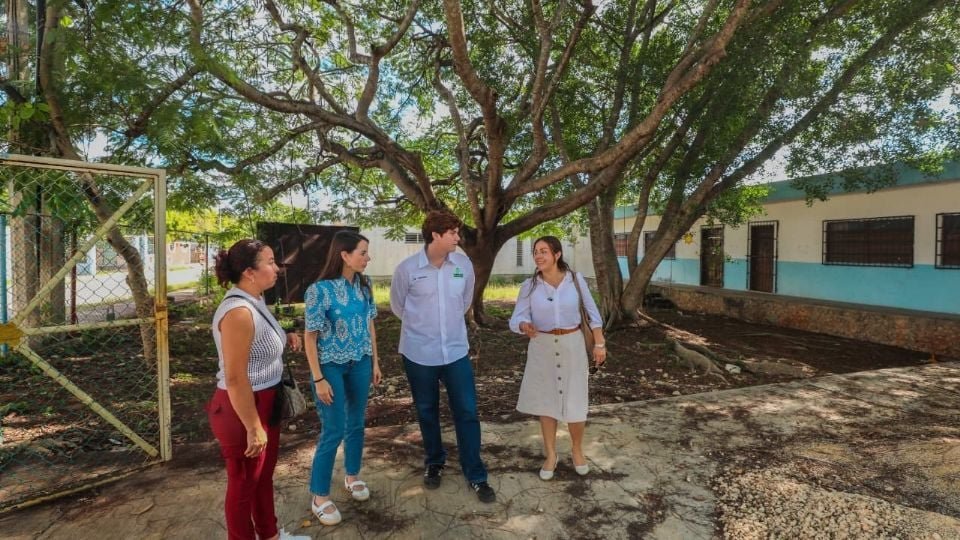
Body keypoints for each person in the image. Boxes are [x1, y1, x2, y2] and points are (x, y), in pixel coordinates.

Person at [389, 210, 496, 503]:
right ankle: (434, 462)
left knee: (467, 410)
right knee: (426, 410)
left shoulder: (462, 265)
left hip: (455, 352)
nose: (458, 238)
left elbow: (464, 302)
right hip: (418, 353)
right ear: (435, 235)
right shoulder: (407, 269)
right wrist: (424, 329)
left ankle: (475, 473)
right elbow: (398, 307)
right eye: (452, 233)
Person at [207, 239, 303, 540]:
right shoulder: (238, 312)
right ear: (250, 271)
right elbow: (236, 378)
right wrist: (253, 425)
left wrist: (283, 338)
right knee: (243, 484)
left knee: (262, 478)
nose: (277, 268)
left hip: (265, 400)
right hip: (243, 408)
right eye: (271, 262)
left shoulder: (254, 301)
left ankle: (269, 534)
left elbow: (255, 344)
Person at [508, 235, 606, 480]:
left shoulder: (575, 280)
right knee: (546, 402)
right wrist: (523, 325)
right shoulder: (529, 286)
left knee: (575, 400)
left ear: (557, 254)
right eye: (535, 252)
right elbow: (515, 318)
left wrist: (599, 344)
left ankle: (576, 450)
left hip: (572, 344)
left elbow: (593, 315)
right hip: (542, 347)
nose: (538, 256)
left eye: (543, 251)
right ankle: (551, 454)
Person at [303, 230, 382, 526]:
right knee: (333, 429)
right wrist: (319, 378)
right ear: (345, 255)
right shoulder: (318, 290)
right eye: (362, 252)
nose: (367, 258)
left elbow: (369, 324)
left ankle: (352, 476)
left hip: (360, 362)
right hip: (330, 367)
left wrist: (375, 360)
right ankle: (319, 495)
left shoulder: (366, 285)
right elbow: (310, 338)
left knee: (356, 424)